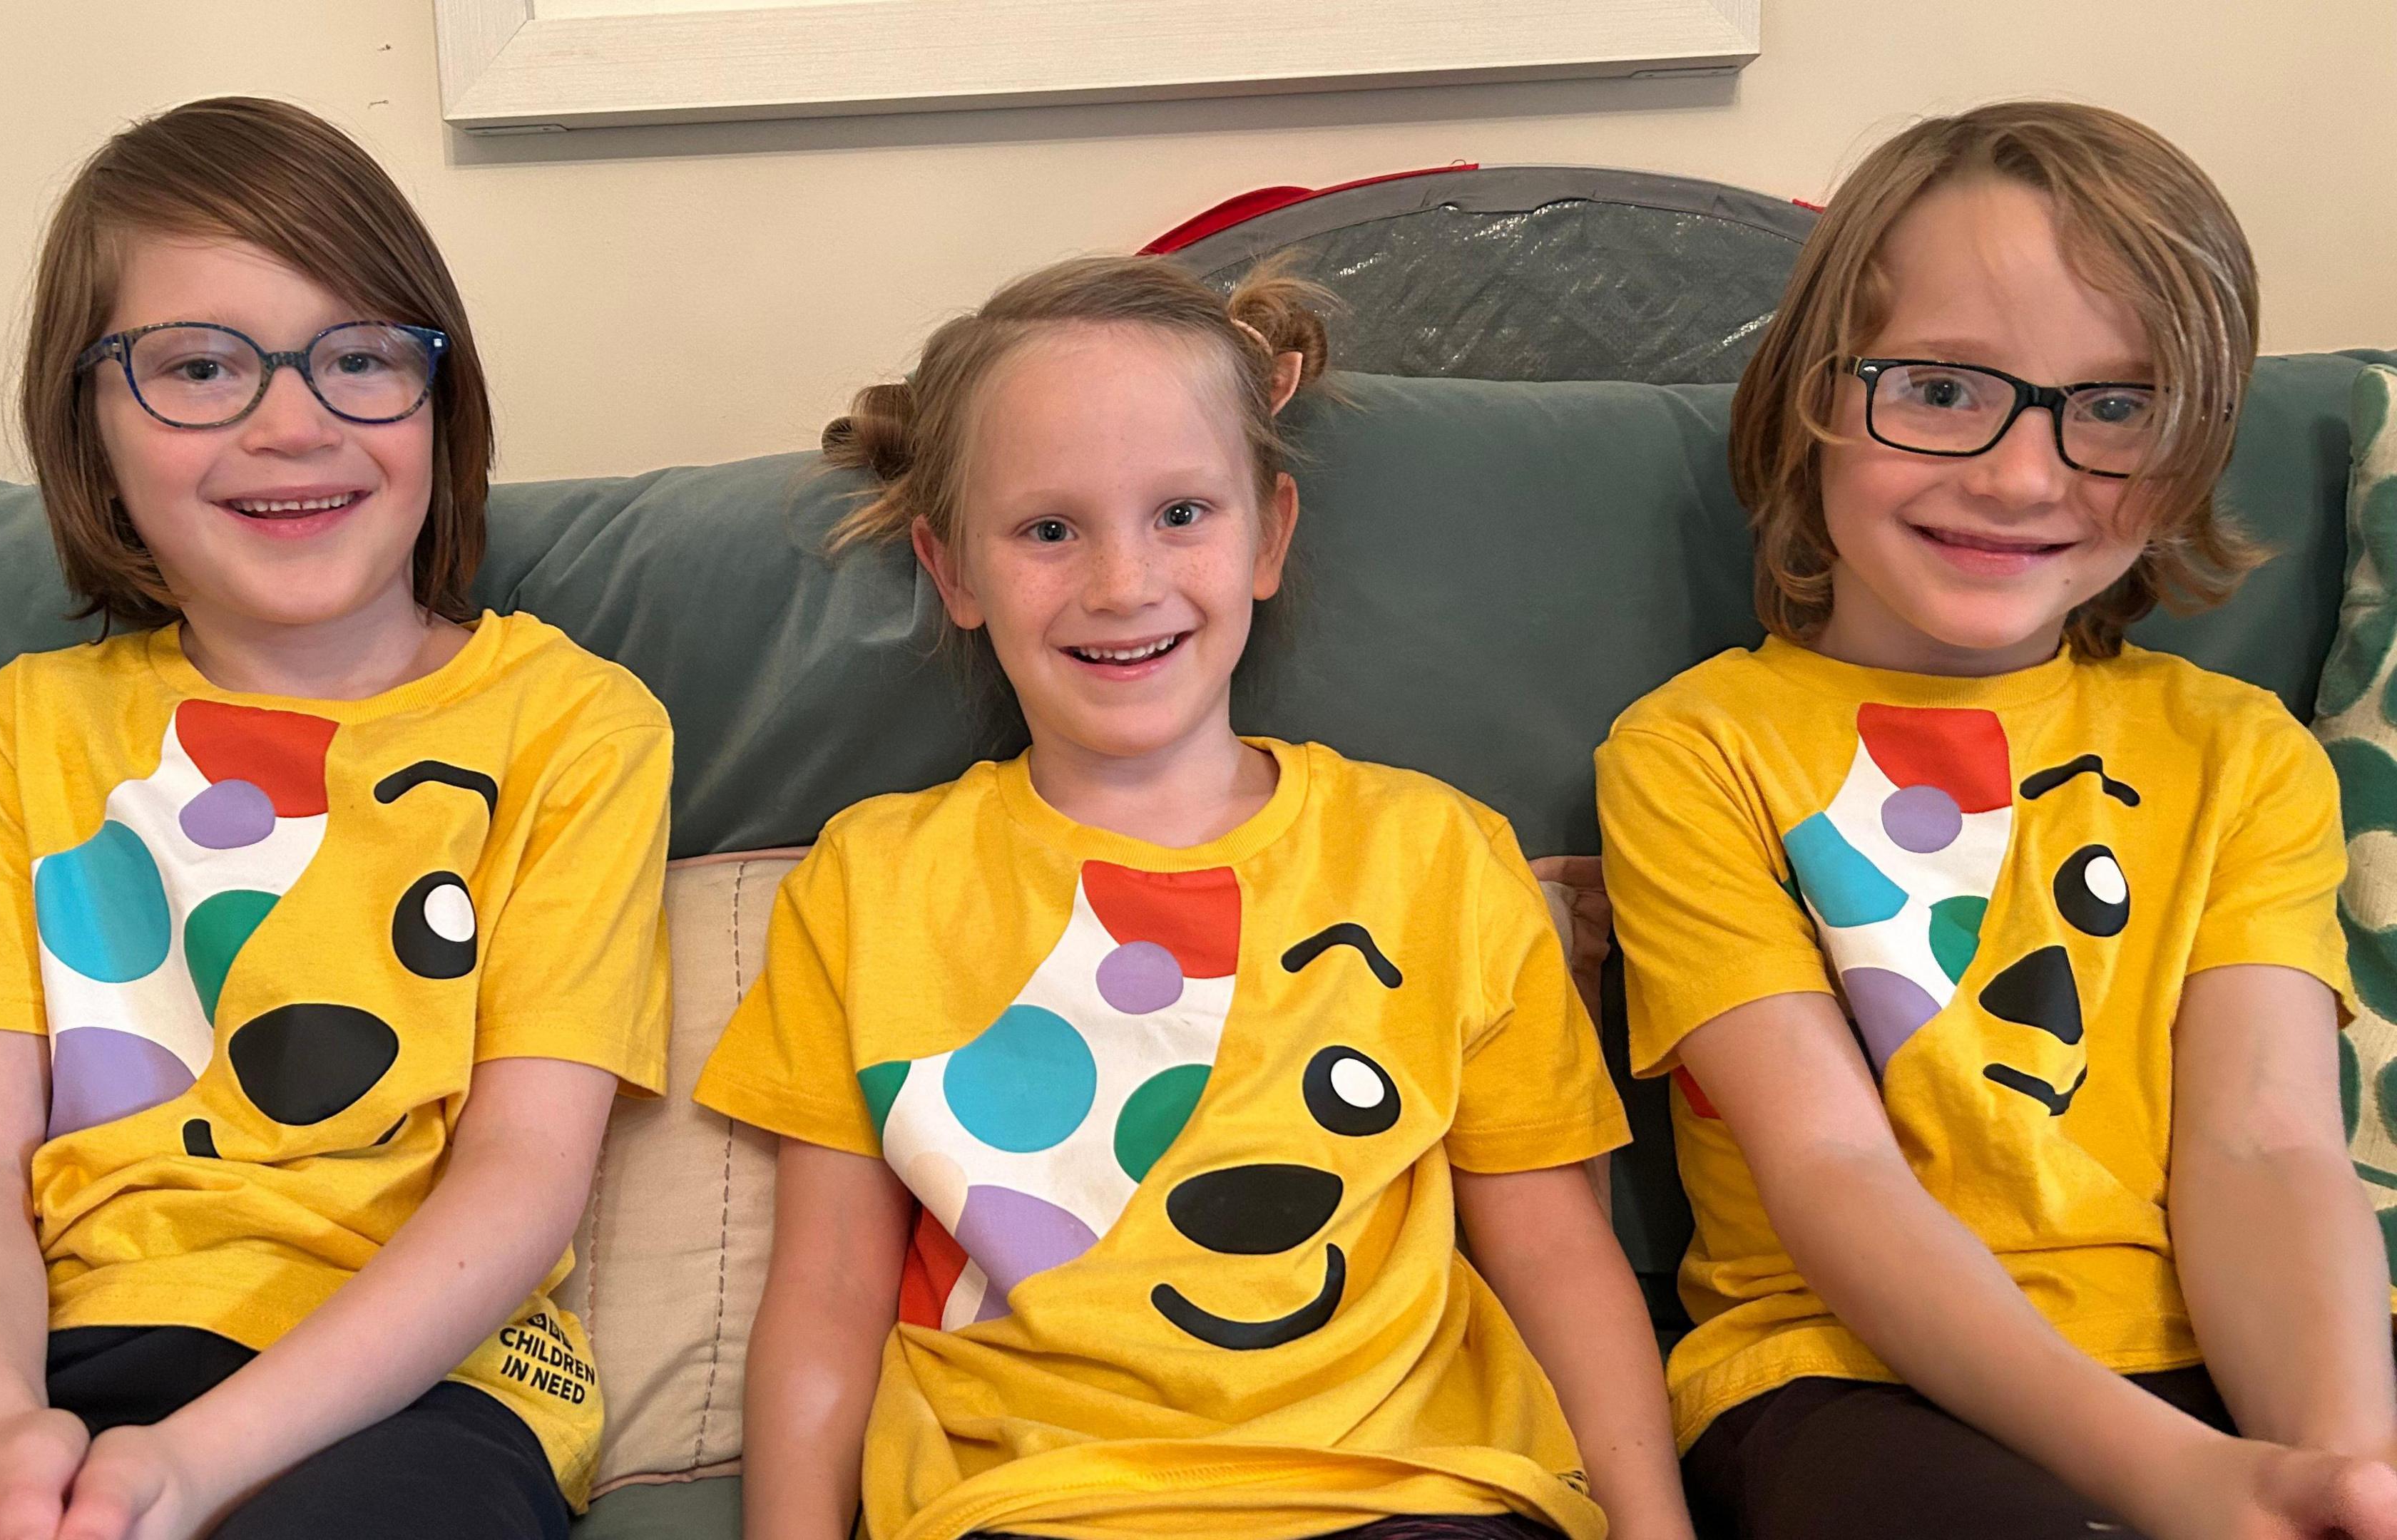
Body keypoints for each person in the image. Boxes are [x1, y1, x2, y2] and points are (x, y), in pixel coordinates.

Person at [0, 97, 671, 1540]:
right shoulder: (31, 726)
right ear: (93, 427)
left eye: (361, 357)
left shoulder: (575, 727)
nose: (294, 421)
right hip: (24, 1348)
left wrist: (193, 1467)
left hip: (407, 1385)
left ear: (442, 401)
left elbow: (522, 1180)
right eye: (200, 365)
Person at [697, 255, 1692, 1540]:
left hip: (1411, 1496)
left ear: (1268, 534)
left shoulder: (1438, 853)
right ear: (953, 572)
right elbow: (826, 1291)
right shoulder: (871, 880)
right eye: (1049, 530)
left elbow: (1559, 1256)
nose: (1123, 585)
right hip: (1032, 1506)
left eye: (1181, 514)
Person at [1595, 101, 2397, 1540]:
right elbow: (1832, 1172)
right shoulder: (1696, 753)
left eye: (2113, 407)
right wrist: (2174, 1479)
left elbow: (2270, 1146)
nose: (2023, 475)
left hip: (2222, 1357)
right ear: (1813, 397)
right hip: (1840, 1383)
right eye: (1947, 388)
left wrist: (2339, 1471)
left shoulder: (2243, 756)